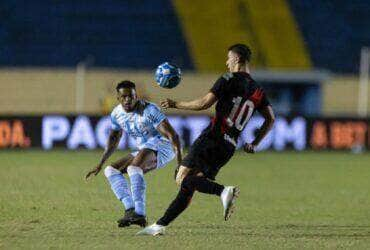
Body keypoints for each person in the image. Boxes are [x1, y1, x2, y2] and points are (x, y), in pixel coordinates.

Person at [137, 44, 275, 236]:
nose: (227, 62)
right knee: (190, 184)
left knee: (182, 178)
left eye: (228, 58)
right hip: (229, 146)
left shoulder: (228, 79)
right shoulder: (258, 90)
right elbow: (270, 118)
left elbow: (204, 103)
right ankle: (160, 225)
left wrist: (176, 104)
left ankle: (223, 191)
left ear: (236, 59)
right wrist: (255, 143)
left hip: (213, 137)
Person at [85, 80, 182, 228]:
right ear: (118, 98)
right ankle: (130, 210)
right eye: (123, 97)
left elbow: (173, 136)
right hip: (144, 148)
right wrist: (100, 163)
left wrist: (180, 164)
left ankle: (140, 214)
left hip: (163, 146)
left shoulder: (150, 110)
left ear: (136, 96)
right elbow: (114, 138)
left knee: (133, 168)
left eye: (131, 96)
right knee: (111, 171)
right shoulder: (117, 114)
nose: (127, 100)